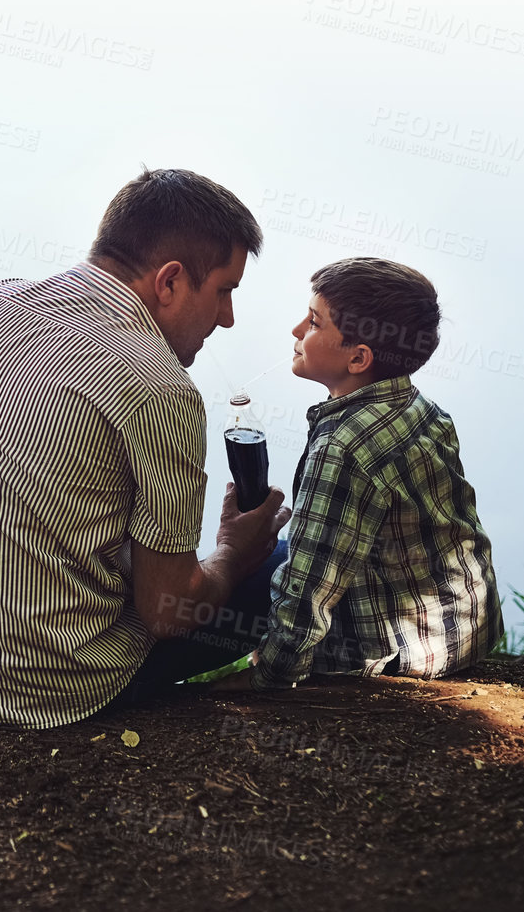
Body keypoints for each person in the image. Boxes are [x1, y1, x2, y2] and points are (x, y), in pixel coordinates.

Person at [0, 168, 291, 727]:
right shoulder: (157, 385)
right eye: (224, 291)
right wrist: (233, 551)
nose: (227, 319)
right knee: (287, 566)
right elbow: (167, 613)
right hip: (40, 691)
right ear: (170, 281)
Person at [213, 257, 502, 691]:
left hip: (402, 655)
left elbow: (309, 588)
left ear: (358, 358)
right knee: (287, 549)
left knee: (278, 567)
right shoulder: (425, 411)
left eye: (313, 322)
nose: (295, 331)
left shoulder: (341, 448)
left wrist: (270, 674)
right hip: (463, 634)